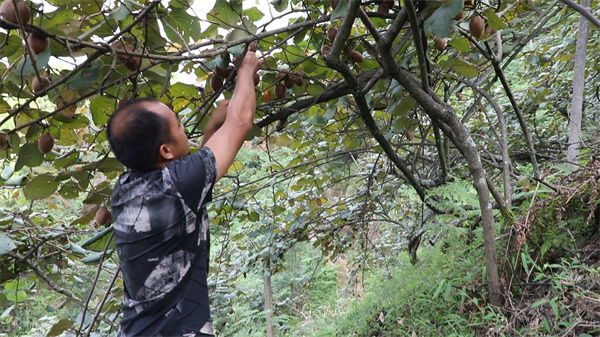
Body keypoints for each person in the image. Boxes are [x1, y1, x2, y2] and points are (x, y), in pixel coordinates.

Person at [105, 51, 262, 337]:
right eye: (177, 124)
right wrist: (245, 71)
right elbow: (240, 123)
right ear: (165, 151)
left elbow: (196, 178)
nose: (182, 127)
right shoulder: (177, 186)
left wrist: (214, 126)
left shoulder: (125, 188)